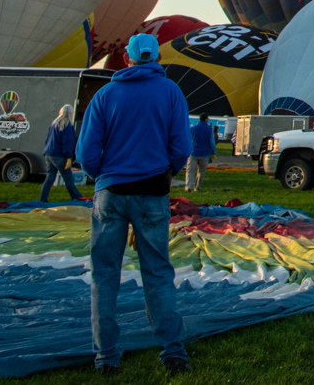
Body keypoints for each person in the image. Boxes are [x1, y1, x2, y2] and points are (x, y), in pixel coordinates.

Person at [77, 32, 192, 374]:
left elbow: (86, 154)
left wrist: (105, 177)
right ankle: (173, 353)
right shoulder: (171, 92)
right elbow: (182, 147)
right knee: (157, 273)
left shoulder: (105, 95)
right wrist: (169, 171)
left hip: (110, 194)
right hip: (152, 194)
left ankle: (106, 357)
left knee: (105, 276)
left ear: (126, 58)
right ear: (157, 58)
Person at [40, 104, 82, 202]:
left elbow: (47, 140)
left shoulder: (53, 124)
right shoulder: (68, 126)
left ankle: (43, 199)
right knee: (68, 178)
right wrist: (68, 157)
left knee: (50, 177)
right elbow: (67, 143)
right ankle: (77, 198)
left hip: (48, 154)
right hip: (59, 156)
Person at [187, 114, 215, 192]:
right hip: (204, 153)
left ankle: (188, 186)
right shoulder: (209, 130)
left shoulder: (193, 128)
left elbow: (188, 140)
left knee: (190, 170)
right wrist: (213, 152)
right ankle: (197, 187)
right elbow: (212, 142)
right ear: (206, 119)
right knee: (201, 172)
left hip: (193, 153)